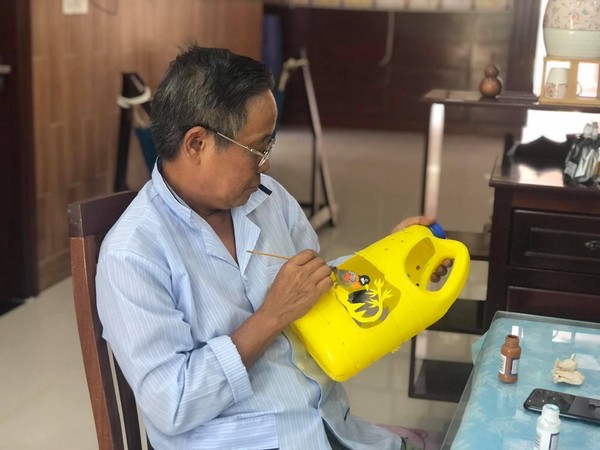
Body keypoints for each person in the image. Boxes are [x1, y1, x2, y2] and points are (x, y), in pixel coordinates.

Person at [96, 45, 447, 450]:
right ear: (196, 145)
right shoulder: (133, 254)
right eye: (257, 149)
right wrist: (271, 316)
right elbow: (172, 404)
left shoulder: (269, 199)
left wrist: (393, 259)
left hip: (328, 424)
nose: (266, 165)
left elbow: (317, 287)